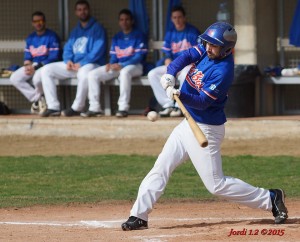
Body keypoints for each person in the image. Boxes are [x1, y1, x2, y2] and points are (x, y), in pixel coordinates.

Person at [121, 22, 288, 231]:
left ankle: (270, 198)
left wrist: (179, 94)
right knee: (161, 167)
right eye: (207, 43)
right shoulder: (206, 50)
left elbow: (202, 101)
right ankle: (139, 215)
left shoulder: (224, 71)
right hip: (187, 124)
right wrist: (170, 74)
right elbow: (186, 56)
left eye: (214, 45)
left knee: (216, 185)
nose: (208, 47)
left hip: (206, 128)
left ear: (226, 49)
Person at [40, 0, 107, 117]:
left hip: (92, 64)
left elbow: (98, 51)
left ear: (89, 10)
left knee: (84, 72)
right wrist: (68, 60)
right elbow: (68, 48)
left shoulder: (98, 28)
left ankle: (77, 107)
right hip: (74, 65)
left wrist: (82, 63)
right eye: (79, 10)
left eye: (85, 9)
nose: (82, 12)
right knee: (47, 69)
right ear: (76, 12)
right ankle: (53, 107)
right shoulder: (75, 30)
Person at [81, 9, 147, 118]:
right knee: (93, 74)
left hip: (135, 66)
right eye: (121, 20)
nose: (124, 22)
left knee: (125, 73)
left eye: (127, 19)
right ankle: (94, 108)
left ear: (132, 21)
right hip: (118, 66)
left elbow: (139, 57)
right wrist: (110, 63)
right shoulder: (117, 36)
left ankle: (123, 108)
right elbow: (114, 56)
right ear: (119, 22)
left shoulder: (139, 35)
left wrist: (123, 65)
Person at [147, 6, 200, 117]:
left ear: (184, 18)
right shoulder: (170, 33)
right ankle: (168, 104)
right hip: (174, 66)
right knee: (153, 74)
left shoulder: (192, 32)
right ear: (171, 19)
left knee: (186, 73)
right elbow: (167, 54)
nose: (177, 20)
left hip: (188, 66)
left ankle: (179, 105)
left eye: (180, 17)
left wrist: (182, 66)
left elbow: (198, 53)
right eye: (175, 17)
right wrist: (167, 60)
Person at [9, 11, 61, 114]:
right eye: (35, 21)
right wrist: (28, 65)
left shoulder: (51, 36)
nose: (38, 23)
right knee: (14, 78)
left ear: (44, 22)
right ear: (32, 23)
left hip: (46, 65)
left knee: (37, 79)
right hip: (33, 65)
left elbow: (54, 57)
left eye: (40, 20)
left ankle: (38, 102)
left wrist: (35, 67)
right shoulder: (31, 38)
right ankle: (37, 99)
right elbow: (27, 56)